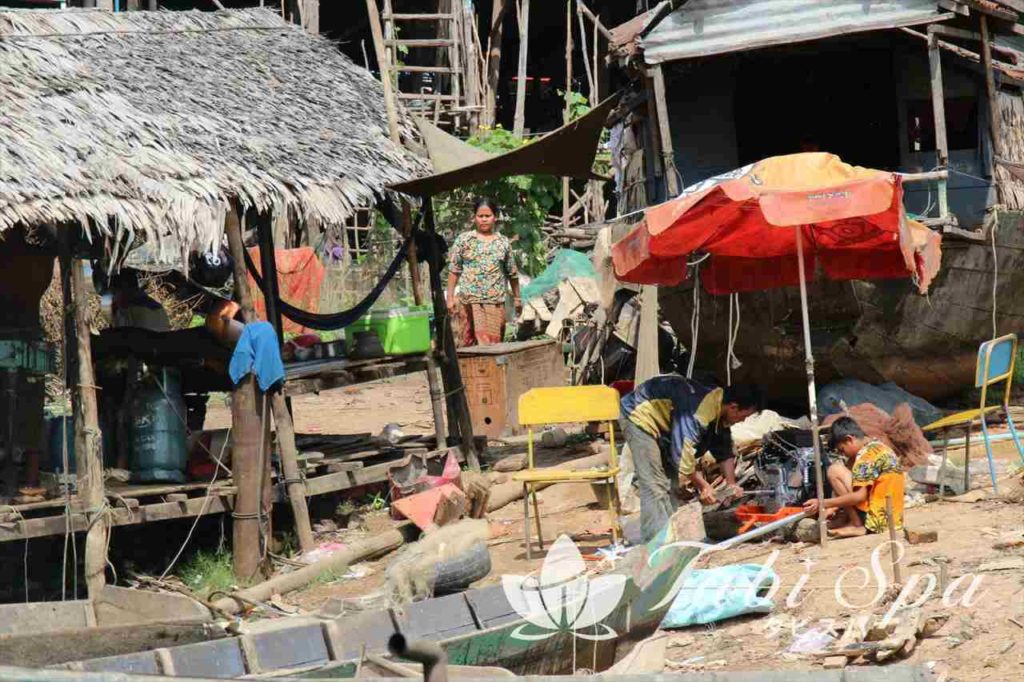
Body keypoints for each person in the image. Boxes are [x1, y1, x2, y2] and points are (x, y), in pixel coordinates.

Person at [620, 376, 762, 542]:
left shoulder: (718, 408)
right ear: (733, 407)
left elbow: (724, 451)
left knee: (670, 484)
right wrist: (703, 486)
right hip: (638, 415)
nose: (742, 421)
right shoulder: (698, 412)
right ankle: (655, 543)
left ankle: (667, 534)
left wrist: (731, 484)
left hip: (665, 423)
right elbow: (682, 458)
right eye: (743, 416)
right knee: (654, 484)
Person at [803, 417, 905, 538]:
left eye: (842, 450)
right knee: (846, 469)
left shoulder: (866, 458)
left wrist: (823, 503)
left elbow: (859, 496)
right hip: (893, 518)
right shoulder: (879, 447)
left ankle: (856, 525)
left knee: (834, 470)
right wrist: (834, 506)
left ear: (849, 439)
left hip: (878, 521)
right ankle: (848, 519)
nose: (843, 454)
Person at [446, 197, 522, 346]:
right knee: (466, 345)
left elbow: (512, 273)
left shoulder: (502, 243)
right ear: (475, 218)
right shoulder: (464, 240)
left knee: (492, 348)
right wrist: (449, 298)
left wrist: (518, 299)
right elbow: (454, 270)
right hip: (468, 302)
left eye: (488, 216)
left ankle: (492, 370)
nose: (484, 220)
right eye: (480, 216)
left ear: (495, 217)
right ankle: (466, 370)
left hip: (494, 303)